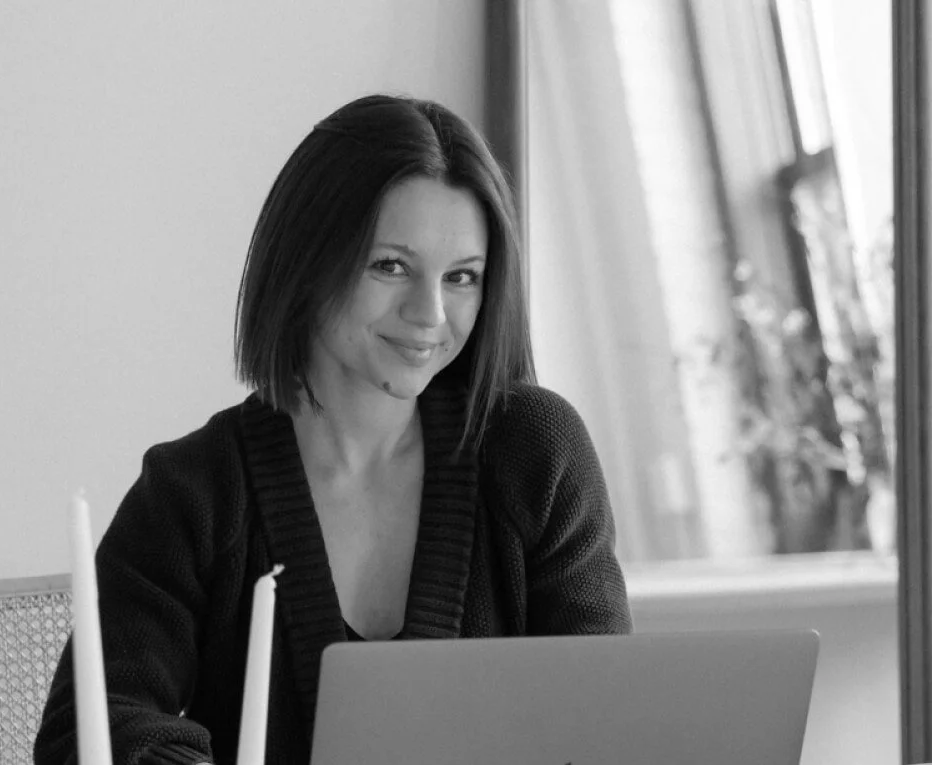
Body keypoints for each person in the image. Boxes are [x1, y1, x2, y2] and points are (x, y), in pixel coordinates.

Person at [33, 93, 632, 765]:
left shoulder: (535, 453)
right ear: (307, 259)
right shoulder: (195, 492)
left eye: (462, 276)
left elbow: (603, 714)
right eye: (391, 266)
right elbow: (87, 729)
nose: (429, 313)